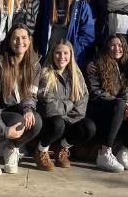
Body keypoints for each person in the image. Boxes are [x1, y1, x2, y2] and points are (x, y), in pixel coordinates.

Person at [0, 23, 42, 175]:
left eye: (24, 38)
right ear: (9, 40)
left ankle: (11, 149)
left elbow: (31, 93)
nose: (20, 42)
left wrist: (28, 109)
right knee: (17, 122)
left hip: (18, 108)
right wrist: (1, 127)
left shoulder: (35, 63)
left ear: (30, 40)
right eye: (15, 38)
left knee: (35, 122)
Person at [86, 34, 128, 172]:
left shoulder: (127, 65)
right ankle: (104, 153)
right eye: (113, 45)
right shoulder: (97, 64)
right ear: (107, 47)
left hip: (119, 105)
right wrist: (118, 102)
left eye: (120, 45)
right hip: (100, 106)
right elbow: (95, 91)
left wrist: (127, 102)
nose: (116, 48)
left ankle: (124, 150)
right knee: (119, 104)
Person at [34, 40, 96, 171]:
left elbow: (82, 103)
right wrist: (69, 104)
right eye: (58, 53)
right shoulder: (46, 74)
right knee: (58, 123)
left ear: (71, 54)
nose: (62, 57)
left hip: (70, 120)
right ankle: (41, 150)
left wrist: (66, 111)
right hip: (50, 123)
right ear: (52, 54)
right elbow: (47, 107)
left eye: (65, 53)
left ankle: (61, 147)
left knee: (88, 127)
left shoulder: (77, 75)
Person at [36, 0, 95, 66]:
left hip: (70, 56)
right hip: (49, 53)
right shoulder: (46, 3)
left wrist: (74, 49)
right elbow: (39, 28)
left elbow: (88, 33)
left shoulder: (80, 4)